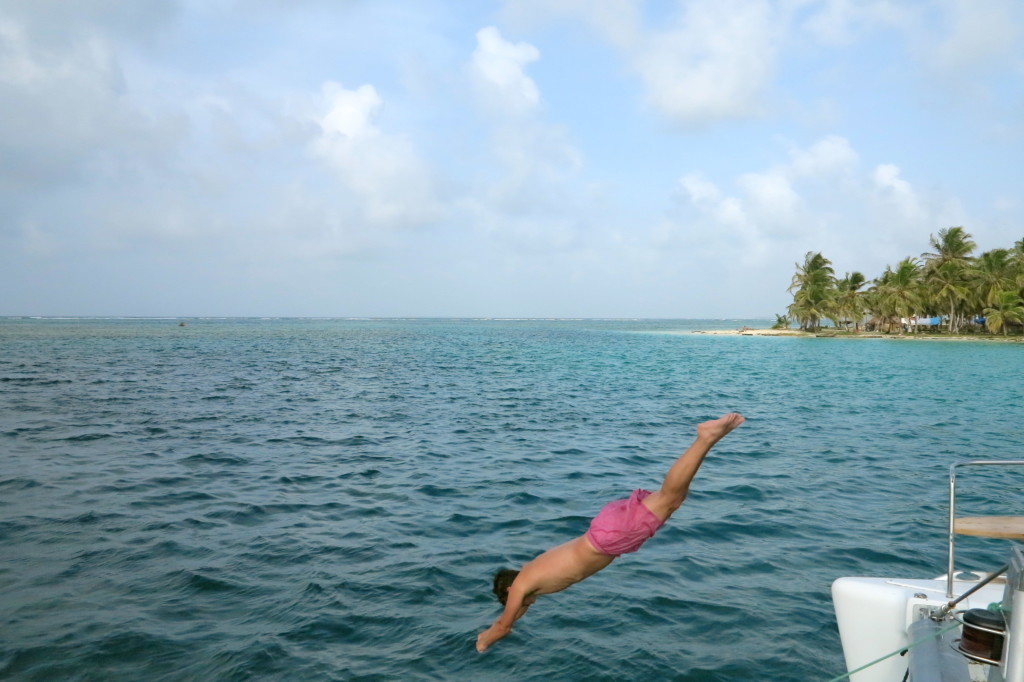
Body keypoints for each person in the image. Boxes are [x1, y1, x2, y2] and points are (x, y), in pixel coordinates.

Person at [476, 412, 745, 653]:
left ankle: (705, 437)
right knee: (672, 498)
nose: (525, 605)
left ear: (510, 590)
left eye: (512, 600)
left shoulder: (521, 586)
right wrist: (514, 605)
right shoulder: (530, 573)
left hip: (608, 538)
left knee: (670, 497)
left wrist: (483, 641)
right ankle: (709, 438)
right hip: (603, 530)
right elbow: (518, 608)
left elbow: (503, 626)